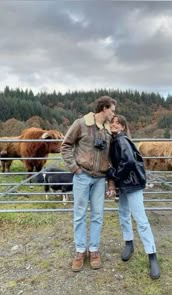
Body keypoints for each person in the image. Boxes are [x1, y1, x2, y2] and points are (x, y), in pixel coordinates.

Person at [61, 96, 117, 272]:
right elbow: (66, 145)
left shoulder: (109, 131)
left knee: (97, 215)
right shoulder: (81, 123)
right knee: (79, 215)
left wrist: (110, 183)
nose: (114, 114)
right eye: (112, 110)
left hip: (100, 179)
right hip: (82, 176)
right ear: (104, 109)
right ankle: (79, 251)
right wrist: (74, 168)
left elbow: (111, 159)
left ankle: (93, 250)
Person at [106, 115, 160, 279]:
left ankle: (152, 255)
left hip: (132, 183)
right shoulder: (114, 141)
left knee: (140, 218)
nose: (114, 124)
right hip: (124, 183)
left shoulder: (122, 141)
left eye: (118, 123)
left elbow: (128, 162)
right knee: (123, 214)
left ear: (123, 127)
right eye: (112, 122)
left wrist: (113, 175)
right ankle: (129, 244)